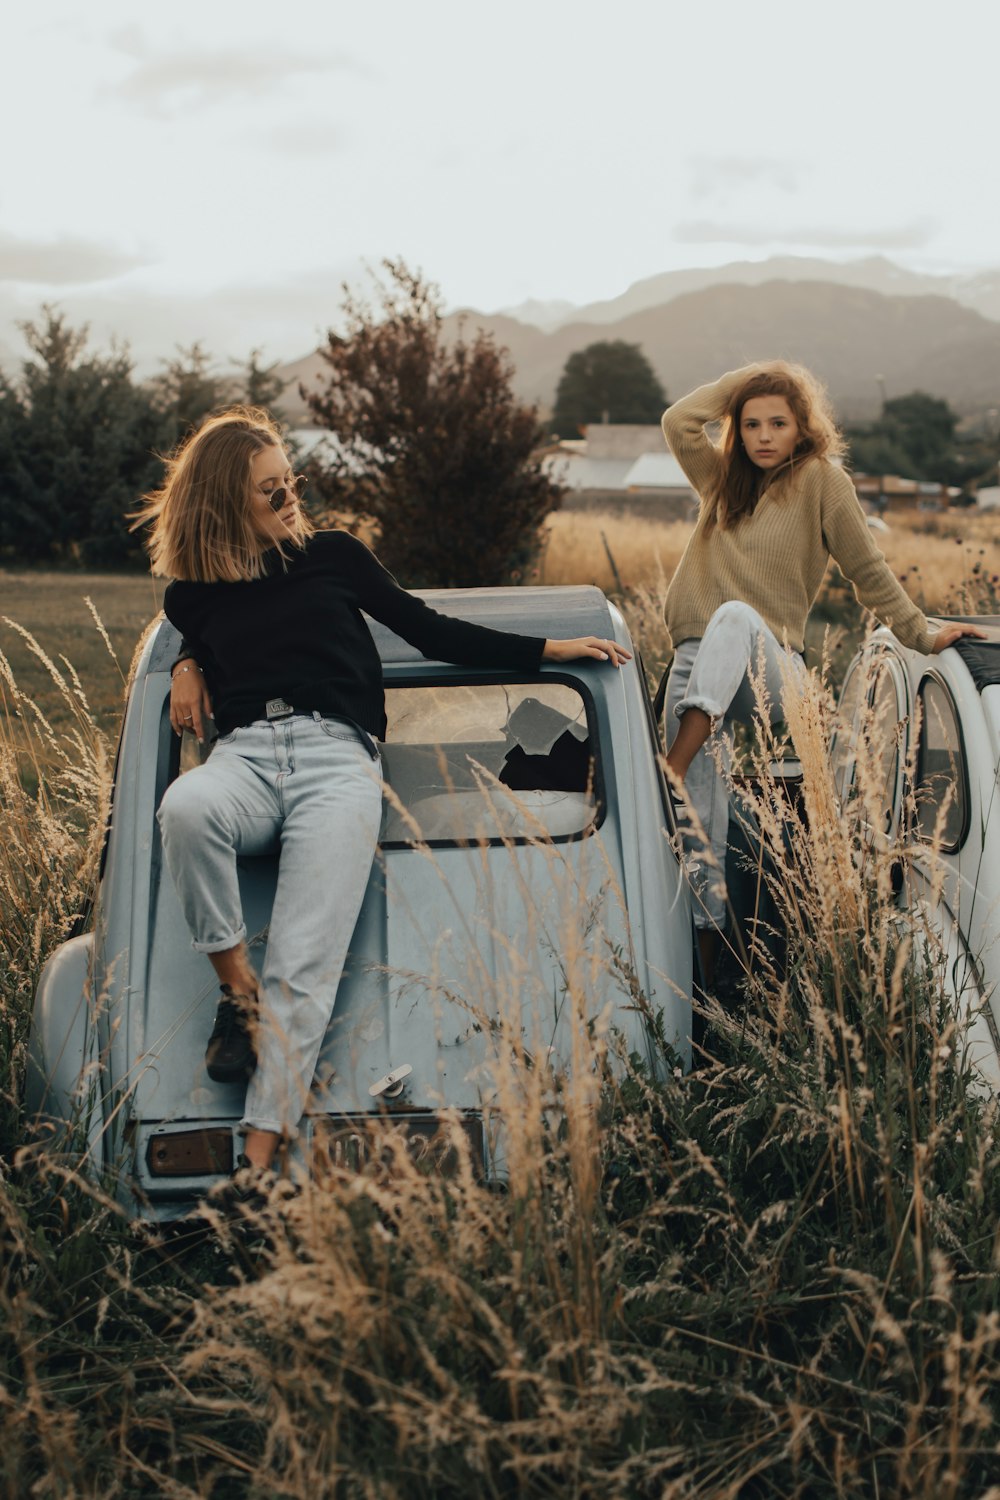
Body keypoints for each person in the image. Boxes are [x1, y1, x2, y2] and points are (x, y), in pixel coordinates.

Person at [134, 406, 630, 1180]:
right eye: (271, 492)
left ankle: (259, 1163)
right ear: (226, 504)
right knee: (186, 807)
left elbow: (428, 629)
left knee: (307, 954)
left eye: (291, 482)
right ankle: (240, 994)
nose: (290, 498)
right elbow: (200, 629)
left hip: (338, 759)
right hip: (247, 756)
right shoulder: (190, 596)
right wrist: (186, 663)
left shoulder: (332, 556)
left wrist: (548, 649)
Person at [660, 362, 983, 983]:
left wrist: (922, 632)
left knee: (731, 618)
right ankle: (709, 975)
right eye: (749, 423)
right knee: (695, 822)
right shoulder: (721, 480)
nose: (762, 435)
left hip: (770, 666)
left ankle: (669, 765)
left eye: (777, 422)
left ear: (802, 425)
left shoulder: (821, 481)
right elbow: (679, 421)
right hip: (700, 667)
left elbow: (866, 568)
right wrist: (751, 379)